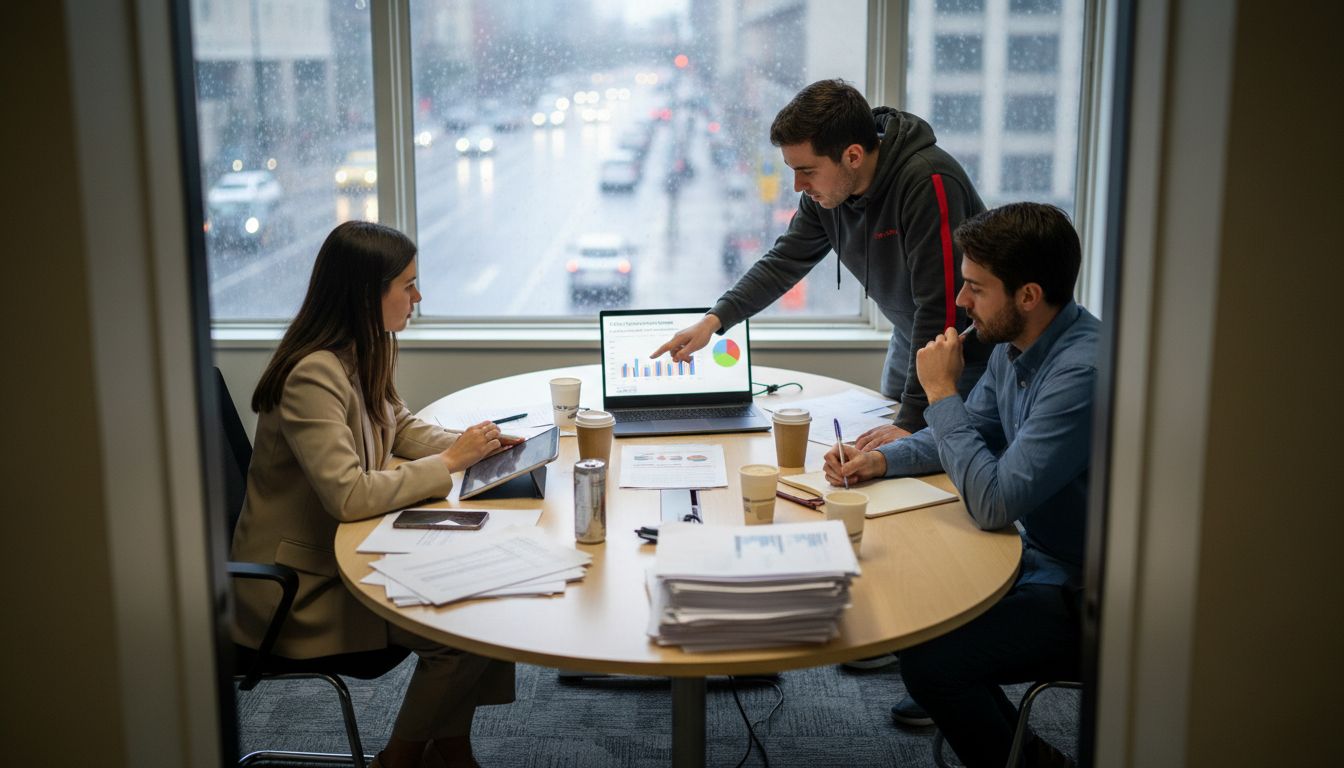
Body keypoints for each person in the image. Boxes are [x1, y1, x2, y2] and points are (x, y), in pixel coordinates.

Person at [231, 221, 517, 768]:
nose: (418, 296)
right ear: (368, 293)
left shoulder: (365, 348)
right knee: (463, 631)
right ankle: (403, 758)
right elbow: (349, 495)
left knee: (485, 594)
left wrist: (474, 445)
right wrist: (451, 462)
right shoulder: (311, 374)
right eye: (407, 285)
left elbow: (401, 427)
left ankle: (449, 748)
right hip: (299, 587)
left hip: (346, 554)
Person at [823, 203, 1098, 767]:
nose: (959, 301)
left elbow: (994, 502)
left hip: (1091, 593)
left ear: (1027, 295)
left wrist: (941, 393)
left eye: (975, 287)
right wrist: (883, 460)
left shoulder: (1080, 372)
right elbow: (972, 432)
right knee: (911, 596)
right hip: (1037, 556)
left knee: (934, 661)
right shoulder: (1013, 346)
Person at [652, 78, 991, 438]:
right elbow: (784, 261)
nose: (798, 185)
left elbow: (942, 305)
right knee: (883, 453)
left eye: (807, 171)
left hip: (965, 348)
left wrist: (911, 422)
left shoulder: (927, 180)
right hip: (912, 339)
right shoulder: (827, 196)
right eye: (793, 170)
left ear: (853, 156)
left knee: (940, 458)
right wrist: (713, 321)